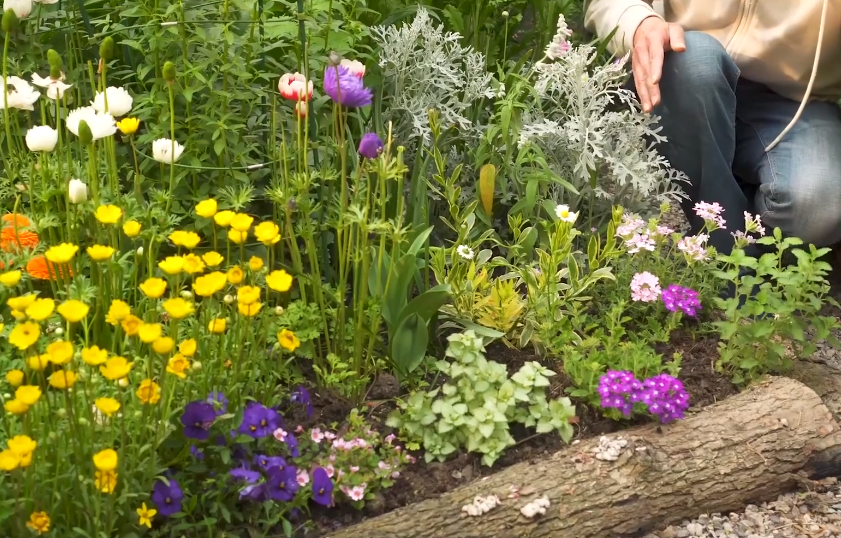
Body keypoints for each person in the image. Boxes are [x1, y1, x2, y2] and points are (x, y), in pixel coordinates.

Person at [584, 0, 841, 255]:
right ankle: (725, 262)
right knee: (697, 65)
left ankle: (733, 220)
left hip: (797, 100)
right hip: (685, 71)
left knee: (818, 206)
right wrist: (640, 23)